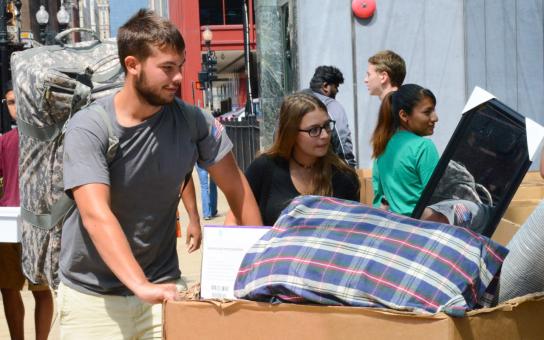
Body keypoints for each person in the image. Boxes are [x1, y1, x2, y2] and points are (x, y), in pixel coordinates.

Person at [58, 9, 262, 339]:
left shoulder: (193, 121)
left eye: (179, 66)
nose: (179, 77)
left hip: (164, 289)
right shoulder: (90, 127)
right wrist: (139, 284)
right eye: (167, 68)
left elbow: (237, 191)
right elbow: (96, 215)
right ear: (132, 65)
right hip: (92, 296)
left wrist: (256, 274)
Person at [227, 93, 360, 226]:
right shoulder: (264, 168)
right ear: (291, 133)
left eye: (326, 126)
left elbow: (353, 232)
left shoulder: (344, 176)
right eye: (314, 130)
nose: (325, 135)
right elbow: (234, 217)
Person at [0, 80, 53, 340]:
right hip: (7, 224)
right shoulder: (5, 141)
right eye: (10, 102)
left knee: (41, 289)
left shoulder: (47, 138)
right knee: (8, 289)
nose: (15, 107)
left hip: (39, 225)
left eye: (19, 101)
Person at [371, 84, 439, 216]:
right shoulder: (423, 147)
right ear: (403, 115)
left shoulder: (383, 146)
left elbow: (379, 198)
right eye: (427, 112)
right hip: (420, 228)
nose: (435, 118)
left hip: (396, 228)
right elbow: (437, 200)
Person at [304, 65, 357, 167]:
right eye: (336, 86)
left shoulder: (294, 102)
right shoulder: (330, 105)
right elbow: (342, 139)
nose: (337, 91)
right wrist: (349, 167)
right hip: (322, 171)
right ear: (325, 86)